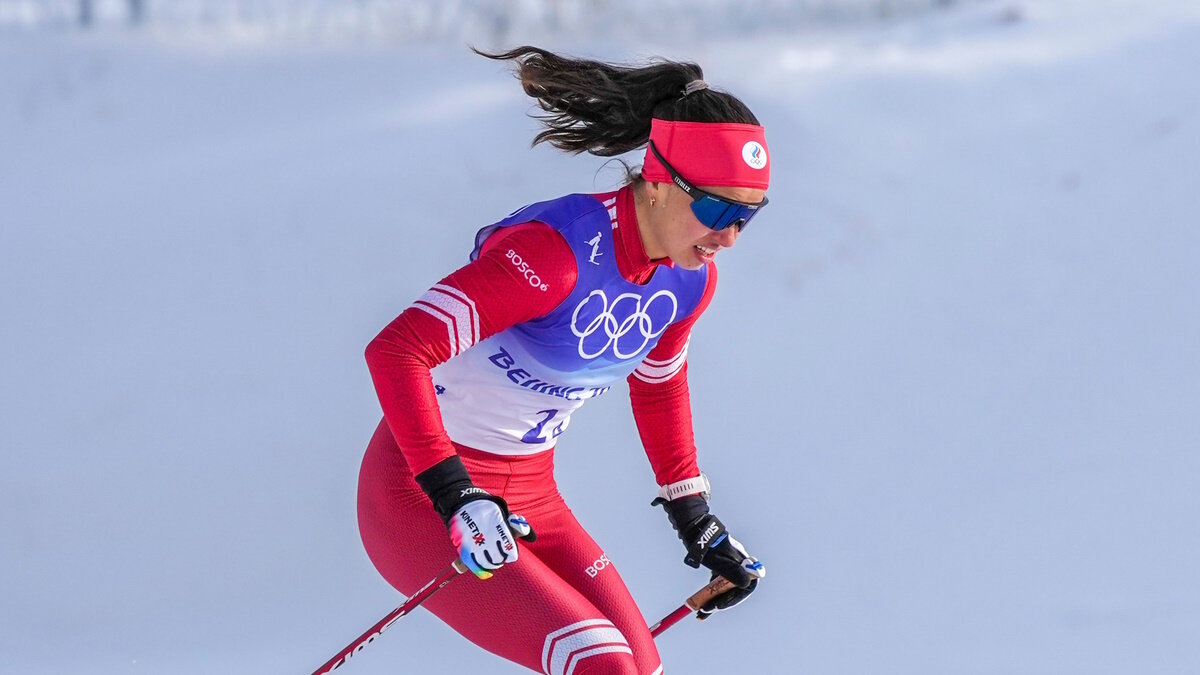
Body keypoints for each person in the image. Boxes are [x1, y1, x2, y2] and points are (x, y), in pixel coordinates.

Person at [358, 45, 770, 675]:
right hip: (419, 494)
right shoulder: (557, 255)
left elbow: (659, 388)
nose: (730, 237)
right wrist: (454, 496)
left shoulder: (688, 284)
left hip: (531, 495)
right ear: (658, 181)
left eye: (747, 216)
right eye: (716, 210)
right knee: (599, 663)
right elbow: (397, 349)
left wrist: (697, 522)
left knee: (641, 667)